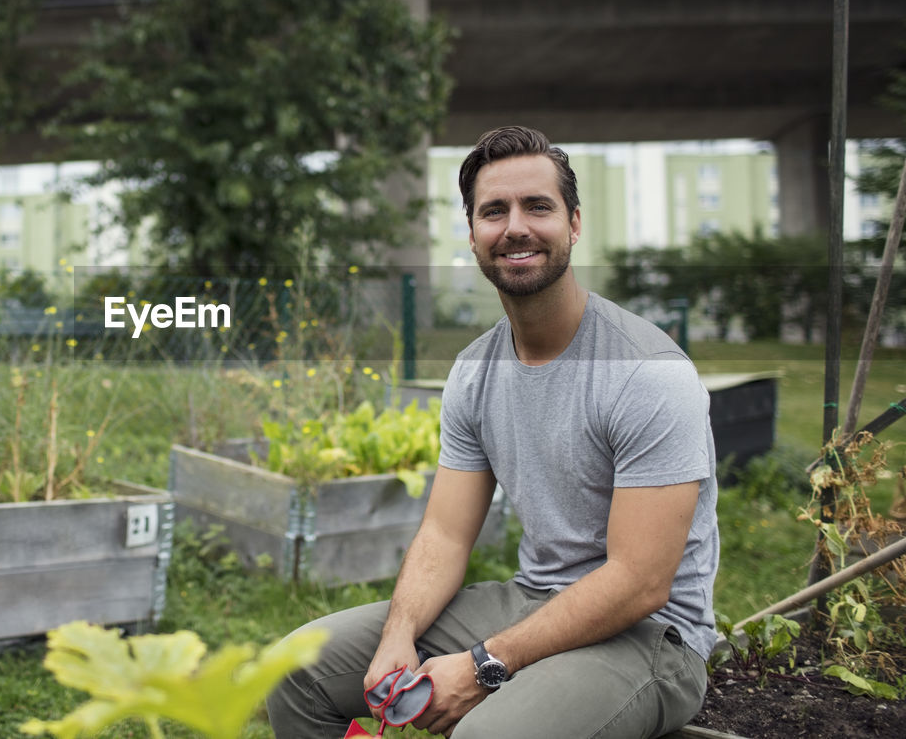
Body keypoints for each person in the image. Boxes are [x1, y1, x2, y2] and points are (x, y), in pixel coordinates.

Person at [266, 125, 719, 738]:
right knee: (297, 670)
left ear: (575, 224)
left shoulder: (647, 371)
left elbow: (640, 581)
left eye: (538, 206)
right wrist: (398, 638)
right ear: (474, 233)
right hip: (532, 597)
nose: (516, 227)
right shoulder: (476, 370)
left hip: (650, 636)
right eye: (493, 211)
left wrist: (484, 665)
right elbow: (447, 534)